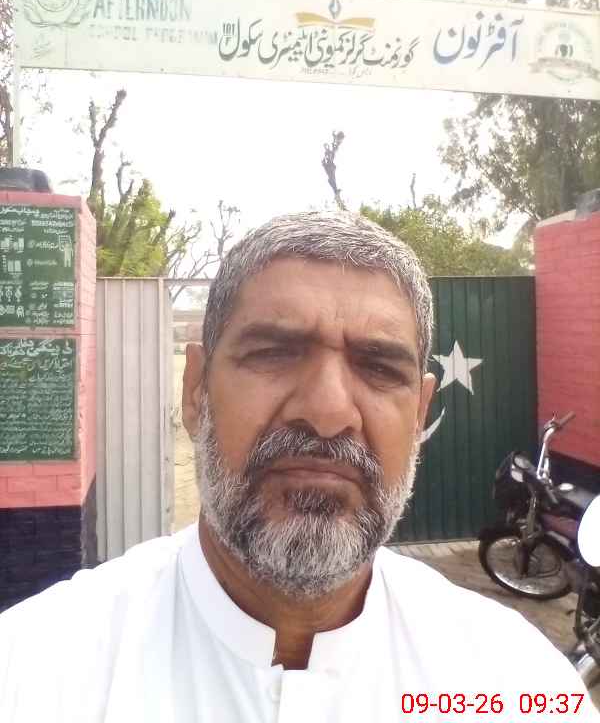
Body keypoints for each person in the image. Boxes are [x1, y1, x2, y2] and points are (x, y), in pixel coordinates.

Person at [0, 210, 597, 722]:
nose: (329, 412)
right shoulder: (34, 674)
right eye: (275, 353)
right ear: (196, 392)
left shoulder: (518, 684)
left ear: (418, 415)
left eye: (378, 367)